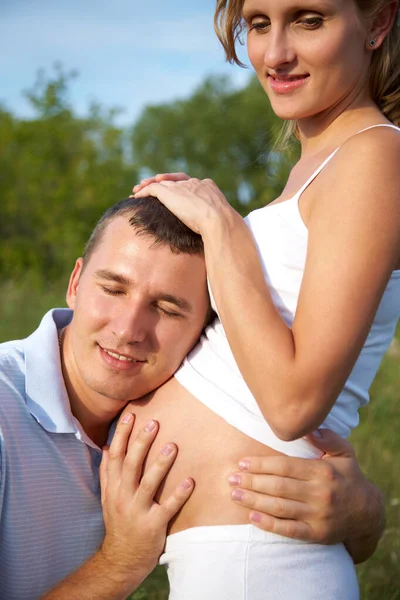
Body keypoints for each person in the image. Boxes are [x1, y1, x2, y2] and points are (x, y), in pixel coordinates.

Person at [132, 0, 400, 597]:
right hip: (232, 556)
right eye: (258, 24)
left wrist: (224, 229)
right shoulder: (321, 167)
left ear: (378, 24)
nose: (274, 54)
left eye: (309, 20)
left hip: (259, 557)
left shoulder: (375, 155)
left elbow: (293, 400)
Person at [0, 197, 384, 599]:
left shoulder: (184, 409)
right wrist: (120, 562)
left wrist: (362, 515)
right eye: (113, 288)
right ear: (76, 283)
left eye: (166, 308)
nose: (129, 329)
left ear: (206, 330)